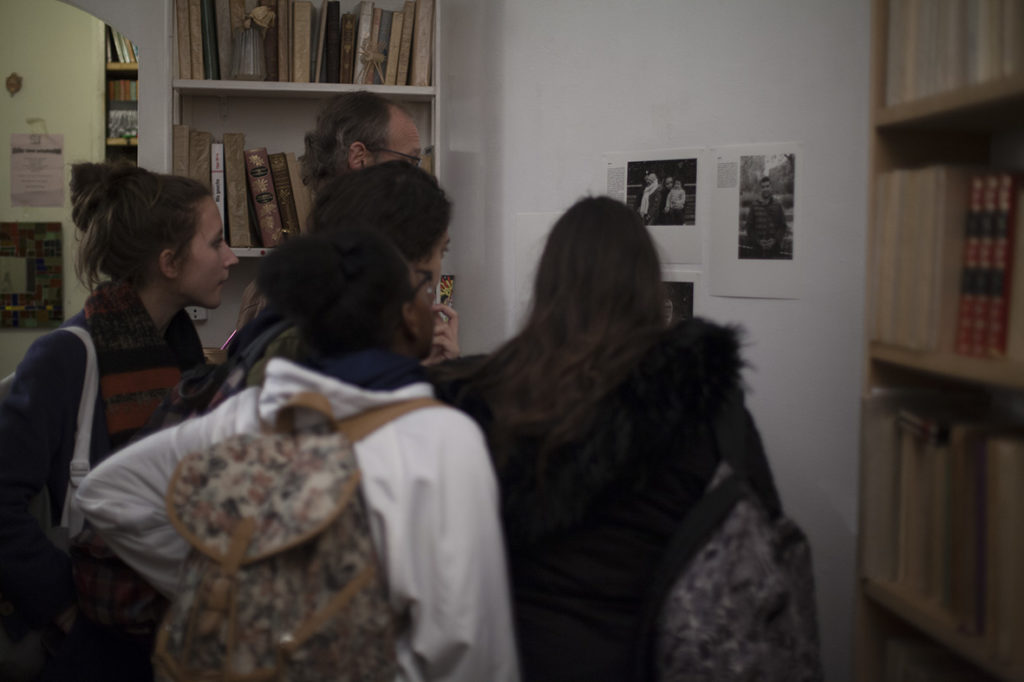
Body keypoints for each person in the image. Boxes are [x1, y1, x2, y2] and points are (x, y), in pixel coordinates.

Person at [76, 226, 520, 682]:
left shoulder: (247, 416)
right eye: (424, 290)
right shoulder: (440, 437)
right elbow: (470, 645)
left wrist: (234, 576)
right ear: (408, 317)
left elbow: (107, 494)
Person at [430, 196, 771, 681]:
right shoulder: (702, 401)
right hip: (654, 659)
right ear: (648, 288)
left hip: (511, 659)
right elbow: (762, 530)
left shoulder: (485, 401)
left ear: (548, 289)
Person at [0, 161, 238, 681]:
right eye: (216, 243)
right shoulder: (65, 358)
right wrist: (65, 607)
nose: (231, 257)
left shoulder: (186, 359)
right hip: (90, 651)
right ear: (170, 262)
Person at [230, 161, 458, 389]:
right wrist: (416, 379)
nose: (437, 272)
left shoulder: (298, 319)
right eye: (441, 251)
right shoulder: (313, 349)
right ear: (403, 262)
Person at [743, 176, 788, 259]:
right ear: (760, 189)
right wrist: (758, 241)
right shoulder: (754, 205)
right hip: (757, 250)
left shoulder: (778, 205)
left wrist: (775, 240)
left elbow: (783, 226)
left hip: (774, 250)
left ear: (771, 187)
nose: (765, 189)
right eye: (763, 187)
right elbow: (749, 227)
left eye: (767, 186)